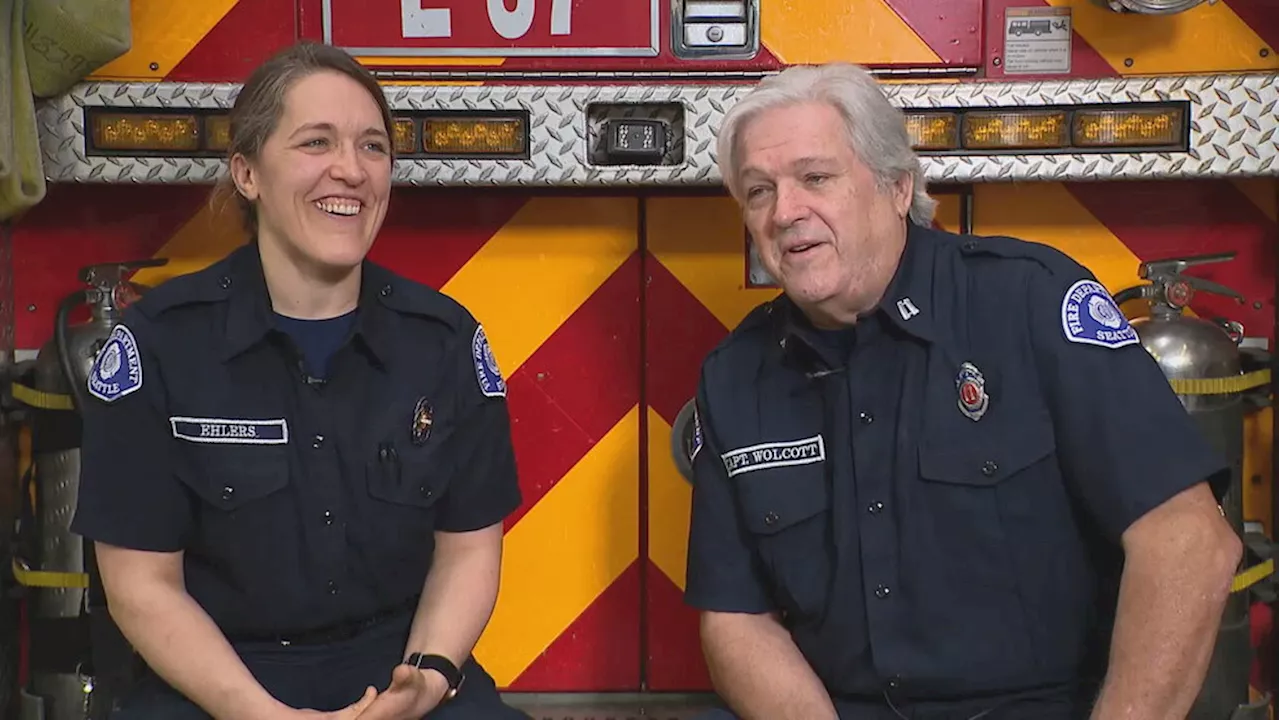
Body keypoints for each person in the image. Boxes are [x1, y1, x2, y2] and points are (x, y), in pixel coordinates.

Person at [682, 62, 1244, 720]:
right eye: (758, 191)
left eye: (815, 178)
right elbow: (735, 620)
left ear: (897, 186)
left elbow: (1188, 541)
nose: (785, 212)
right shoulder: (735, 375)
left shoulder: (1030, 302)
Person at [70, 40, 530, 720]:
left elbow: (467, 554)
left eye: (373, 148)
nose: (350, 170)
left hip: (399, 670)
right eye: (316, 143)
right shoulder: (161, 345)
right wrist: (258, 714)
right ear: (247, 173)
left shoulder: (445, 342)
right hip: (211, 680)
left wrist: (427, 678)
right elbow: (141, 585)